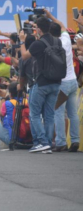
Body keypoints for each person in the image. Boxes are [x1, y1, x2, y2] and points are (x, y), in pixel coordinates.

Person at [20, 16, 61, 153]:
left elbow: (24, 56)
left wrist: (22, 41)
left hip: (42, 82)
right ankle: (48, 143)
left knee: (35, 114)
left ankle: (43, 142)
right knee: (49, 115)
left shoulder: (38, 43)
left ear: (38, 29)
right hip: (56, 82)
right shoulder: (57, 41)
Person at [46, 11, 80, 152]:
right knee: (72, 114)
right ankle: (75, 140)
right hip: (73, 81)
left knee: (59, 113)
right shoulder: (66, 39)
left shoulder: (53, 45)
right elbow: (62, 25)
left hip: (62, 83)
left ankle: (60, 142)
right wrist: (50, 15)